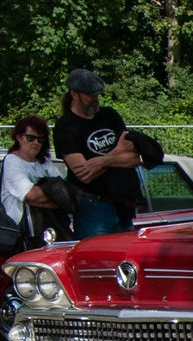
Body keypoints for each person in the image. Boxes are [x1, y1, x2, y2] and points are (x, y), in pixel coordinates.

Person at [53, 67, 145, 237]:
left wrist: (101, 161)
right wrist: (116, 155)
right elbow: (84, 174)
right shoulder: (65, 126)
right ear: (74, 94)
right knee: (95, 260)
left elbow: (133, 157)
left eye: (97, 95)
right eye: (90, 95)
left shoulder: (110, 116)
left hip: (122, 204)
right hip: (93, 207)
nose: (95, 99)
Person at [0, 115, 73, 248]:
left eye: (40, 139)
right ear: (19, 137)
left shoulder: (45, 163)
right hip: (24, 234)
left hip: (49, 232)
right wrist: (57, 198)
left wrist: (56, 197)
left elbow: (66, 194)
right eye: (30, 138)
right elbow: (30, 196)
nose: (36, 143)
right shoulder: (12, 161)